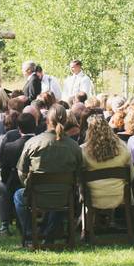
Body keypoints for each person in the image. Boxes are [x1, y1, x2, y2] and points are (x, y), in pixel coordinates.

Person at [13, 105, 84, 246]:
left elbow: (21, 171)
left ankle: (29, 234)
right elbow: (79, 173)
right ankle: (49, 235)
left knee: (18, 196)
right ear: (66, 121)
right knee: (61, 193)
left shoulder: (33, 143)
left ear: (47, 120)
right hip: (64, 196)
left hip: (37, 194)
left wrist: (28, 185)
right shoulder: (74, 146)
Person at [0, 112, 36, 235]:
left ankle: (4, 225)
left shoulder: (11, 147)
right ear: (35, 125)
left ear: (19, 128)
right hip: (45, 186)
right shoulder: (42, 144)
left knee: (1, 185)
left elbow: (5, 174)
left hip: (19, 186)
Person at [80, 115, 133, 210]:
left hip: (93, 197)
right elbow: (131, 175)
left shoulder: (83, 151)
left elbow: (79, 178)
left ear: (89, 132)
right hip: (118, 195)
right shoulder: (123, 148)